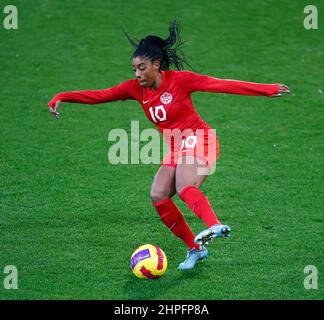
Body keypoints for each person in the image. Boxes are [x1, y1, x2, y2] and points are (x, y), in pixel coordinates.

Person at [48, 19, 290, 270]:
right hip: (178, 146)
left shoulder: (181, 81)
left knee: (185, 184)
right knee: (158, 194)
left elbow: (220, 84)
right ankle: (196, 248)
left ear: (156, 65)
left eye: (142, 68)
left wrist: (267, 89)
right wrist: (62, 96)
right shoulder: (134, 89)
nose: (137, 74)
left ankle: (214, 224)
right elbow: (101, 95)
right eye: (134, 69)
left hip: (200, 138)